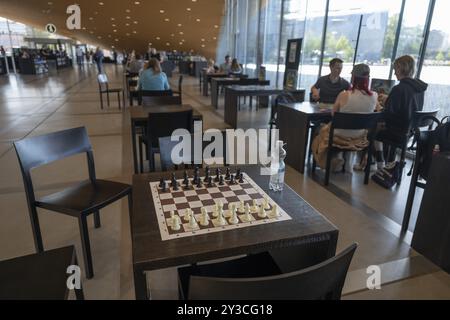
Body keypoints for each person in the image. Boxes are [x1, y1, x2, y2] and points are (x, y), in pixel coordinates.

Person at [373, 55, 428, 171]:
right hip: (410, 132)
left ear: (401, 68)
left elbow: (387, 114)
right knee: (383, 125)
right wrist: (389, 99)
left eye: (395, 69)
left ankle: (379, 162)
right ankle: (389, 161)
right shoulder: (418, 88)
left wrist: (378, 108)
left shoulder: (399, 88)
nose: (394, 73)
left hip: (397, 132)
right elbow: (407, 106)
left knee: (372, 129)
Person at [330, 63, 378, 173]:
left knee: (321, 130)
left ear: (353, 77)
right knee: (351, 131)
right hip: (361, 135)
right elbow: (378, 111)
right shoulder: (374, 96)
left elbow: (334, 114)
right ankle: (346, 162)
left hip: (340, 134)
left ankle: (335, 158)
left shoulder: (344, 94)